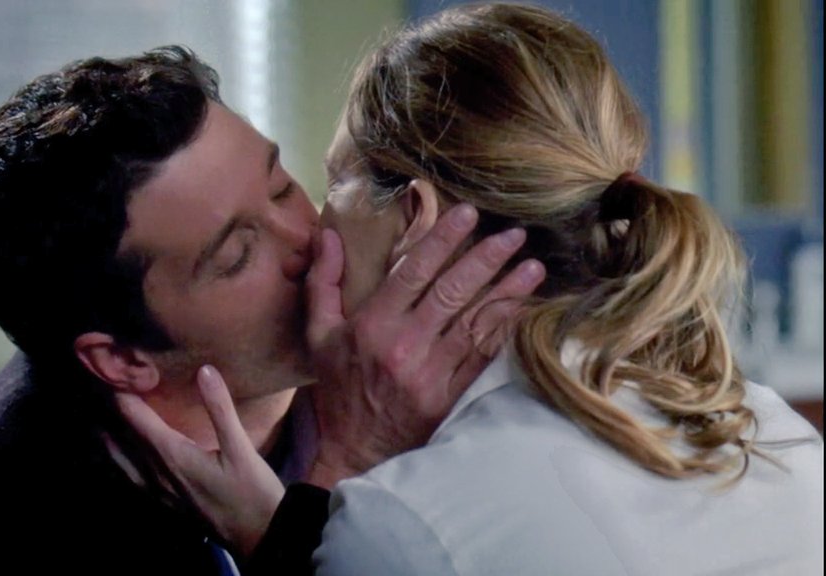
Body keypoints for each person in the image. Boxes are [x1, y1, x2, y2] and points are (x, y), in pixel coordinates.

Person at [130, 4, 825, 575]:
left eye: (331, 181)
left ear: (415, 217)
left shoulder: (404, 529)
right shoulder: (782, 438)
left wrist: (297, 528)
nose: (311, 230)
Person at [0, 47, 544, 575]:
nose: (308, 239)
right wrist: (333, 481)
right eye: (238, 254)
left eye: (282, 188)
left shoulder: (419, 370)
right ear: (122, 359)